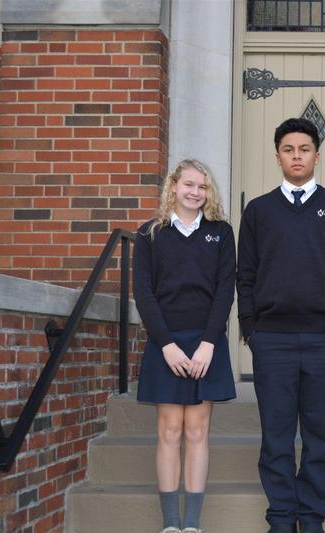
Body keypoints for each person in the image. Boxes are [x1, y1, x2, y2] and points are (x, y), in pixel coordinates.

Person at [236, 118, 325, 533]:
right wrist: (251, 328)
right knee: (276, 437)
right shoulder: (258, 211)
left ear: (317, 155)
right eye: (288, 150)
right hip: (273, 340)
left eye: (304, 149)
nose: (296, 156)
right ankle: (282, 517)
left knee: (319, 438)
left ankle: (312, 517)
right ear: (278, 157)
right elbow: (246, 274)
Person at [133, 159, 237, 533]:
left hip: (205, 341)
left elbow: (225, 290)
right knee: (169, 431)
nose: (196, 192)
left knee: (196, 430)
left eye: (203, 187)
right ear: (173, 187)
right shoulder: (149, 234)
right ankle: (171, 523)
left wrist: (209, 343)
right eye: (189, 184)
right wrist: (167, 346)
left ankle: (192, 523)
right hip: (167, 343)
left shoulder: (221, 233)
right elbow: (143, 294)